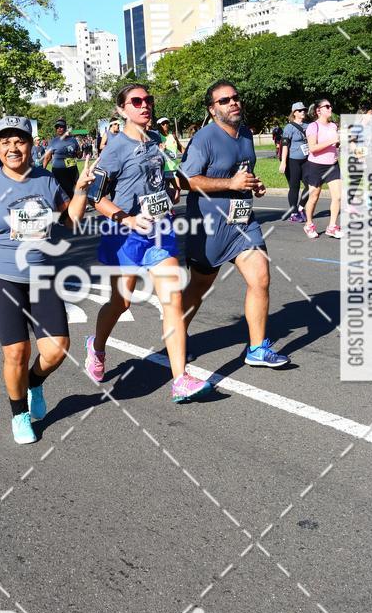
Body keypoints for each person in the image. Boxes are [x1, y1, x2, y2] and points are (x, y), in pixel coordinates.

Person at [0, 116, 95, 445]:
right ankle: (19, 414)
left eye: (19, 141)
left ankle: (34, 382)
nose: (13, 147)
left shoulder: (47, 180)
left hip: (42, 274)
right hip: (1, 277)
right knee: (17, 350)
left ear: (30, 145)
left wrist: (81, 191)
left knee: (57, 350)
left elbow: (71, 222)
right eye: (5, 142)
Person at [84, 83, 214, 403]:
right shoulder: (115, 148)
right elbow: (95, 197)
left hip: (159, 230)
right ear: (122, 109)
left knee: (172, 299)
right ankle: (96, 347)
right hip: (124, 235)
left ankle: (180, 379)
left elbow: (161, 177)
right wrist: (127, 219)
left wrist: (170, 190)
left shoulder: (156, 140)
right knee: (121, 302)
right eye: (136, 101)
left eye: (148, 100)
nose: (145, 105)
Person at [178, 79, 289, 368]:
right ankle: (176, 335)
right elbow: (185, 180)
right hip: (209, 226)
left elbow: (242, 173)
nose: (233, 103)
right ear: (212, 109)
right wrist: (230, 183)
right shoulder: (204, 139)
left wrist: (255, 184)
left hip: (243, 223)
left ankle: (257, 348)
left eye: (235, 97)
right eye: (224, 100)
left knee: (261, 277)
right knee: (199, 286)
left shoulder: (246, 134)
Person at [303, 100, 342, 239]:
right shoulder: (313, 126)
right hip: (316, 166)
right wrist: (332, 141)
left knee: (338, 196)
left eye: (330, 106)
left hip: (332, 165)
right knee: (314, 197)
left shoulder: (333, 126)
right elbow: (313, 148)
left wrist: (338, 144)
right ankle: (309, 224)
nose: (330, 108)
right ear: (318, 110)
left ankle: (332, 227)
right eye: (327, 106)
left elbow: (335, 144)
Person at [279, 102, 309, 222]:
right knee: (294, 187)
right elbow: (285, 145)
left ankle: (301, 207)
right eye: (300, 110)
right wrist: (283, 162)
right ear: (294, 113)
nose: (303, 112)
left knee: (311, 185)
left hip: (306, 160)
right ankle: (294, 213)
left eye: (304, 110)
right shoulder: (289, 127)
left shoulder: (308, 126)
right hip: (293, 161)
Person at [43, 119, 81, 198]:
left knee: (76, 190)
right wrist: (43, 169)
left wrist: (79, 153)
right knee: (63, 193)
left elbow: (78, 155)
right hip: (59, 171)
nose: (59, 129)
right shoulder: (53, 141)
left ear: (65, 128)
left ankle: (76, 203)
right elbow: (47, 157)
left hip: (72, 170)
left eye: (61, 127)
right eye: (57, 127)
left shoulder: (73, 140)